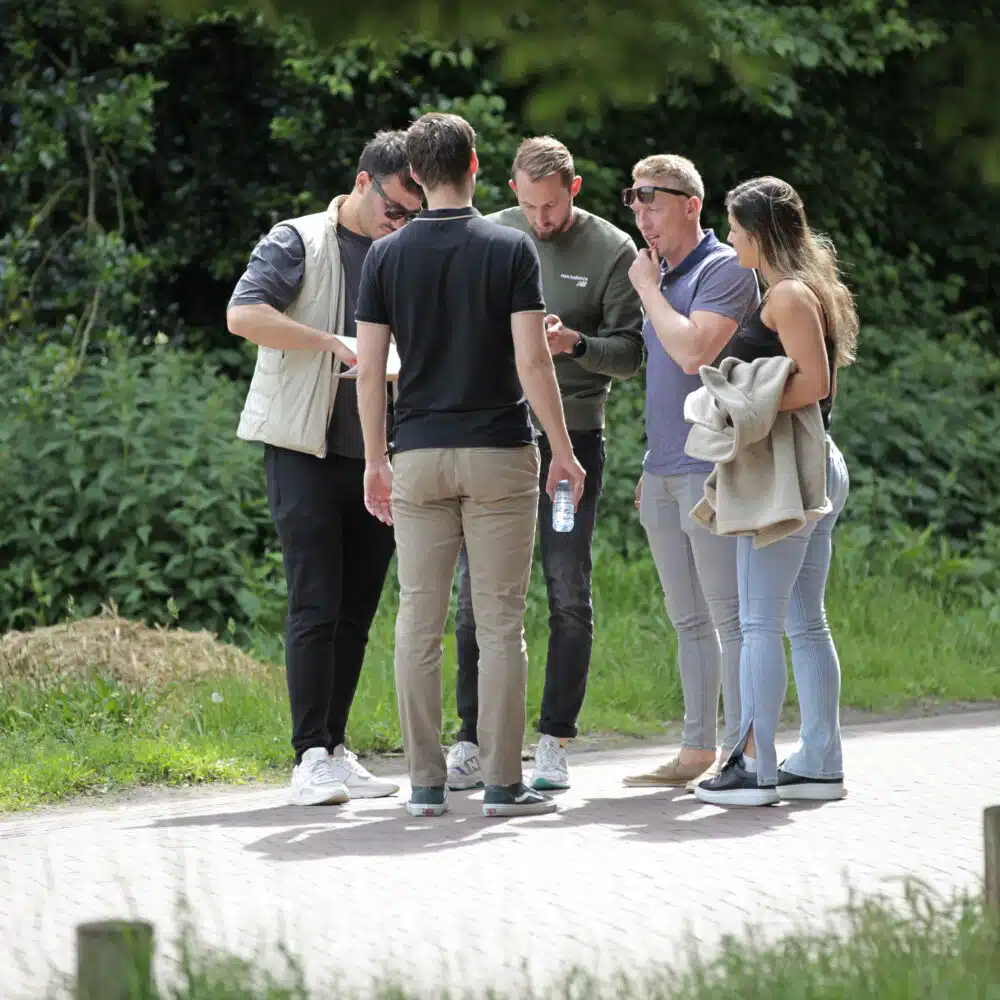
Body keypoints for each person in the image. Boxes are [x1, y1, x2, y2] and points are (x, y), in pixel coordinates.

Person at [354, 112, 586, 819]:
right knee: (500, 624)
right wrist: (563, 448)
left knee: (417, 621)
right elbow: (532, 360)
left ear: (415, 175)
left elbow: (371, 371)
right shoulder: (510, 248)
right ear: (477, 165)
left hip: (418, 455)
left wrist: (374, 458)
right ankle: (503, 783)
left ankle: (426, 784)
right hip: (498, 454)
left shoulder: (384, 257)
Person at [227, 131, 424, 806]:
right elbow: (243, 315)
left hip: (380, 454)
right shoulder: (298, 240)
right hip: (304, 451)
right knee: (315, 601)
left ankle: (336, 749)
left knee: (358, 608)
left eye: (413, 214)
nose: (401, 222)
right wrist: (331, 343)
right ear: (364, 182)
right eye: (394, 208)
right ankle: (307, 754)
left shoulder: (405, 247)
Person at [446, 137, 645, 793]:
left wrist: (575, 344)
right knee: (476, 595)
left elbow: (631, 353)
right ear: (513, 191)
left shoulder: (612, 249)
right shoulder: (493, 233)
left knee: (567, 590)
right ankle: (470, 738)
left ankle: (555, 739)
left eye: (552, 206)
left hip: (575, 441)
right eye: (530, 205)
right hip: (499, 437)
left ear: (574, 189)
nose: (540, 219)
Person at [694, 175, 857, 806]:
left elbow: (814, 384)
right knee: (804, 621)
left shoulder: (787, 295)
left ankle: (753, 770)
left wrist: (740, 409)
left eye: (735, 228)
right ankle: (818, 760)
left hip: (789, 473)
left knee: (759, 622)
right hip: (812, 466)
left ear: (759, 234)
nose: (729, 237)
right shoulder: (806, 288)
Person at [620, 154, 760, 792]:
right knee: (688, 621)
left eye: (653, 203)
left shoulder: (723, 269)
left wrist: (647, 290)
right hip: (663, 471)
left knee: (729, 618)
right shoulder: (662, 274)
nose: (644, 217)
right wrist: (652, 462)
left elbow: (691, 351)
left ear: (691, 205)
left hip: (711, 471)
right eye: (636, 205)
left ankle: (743, 751)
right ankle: (697, 749)